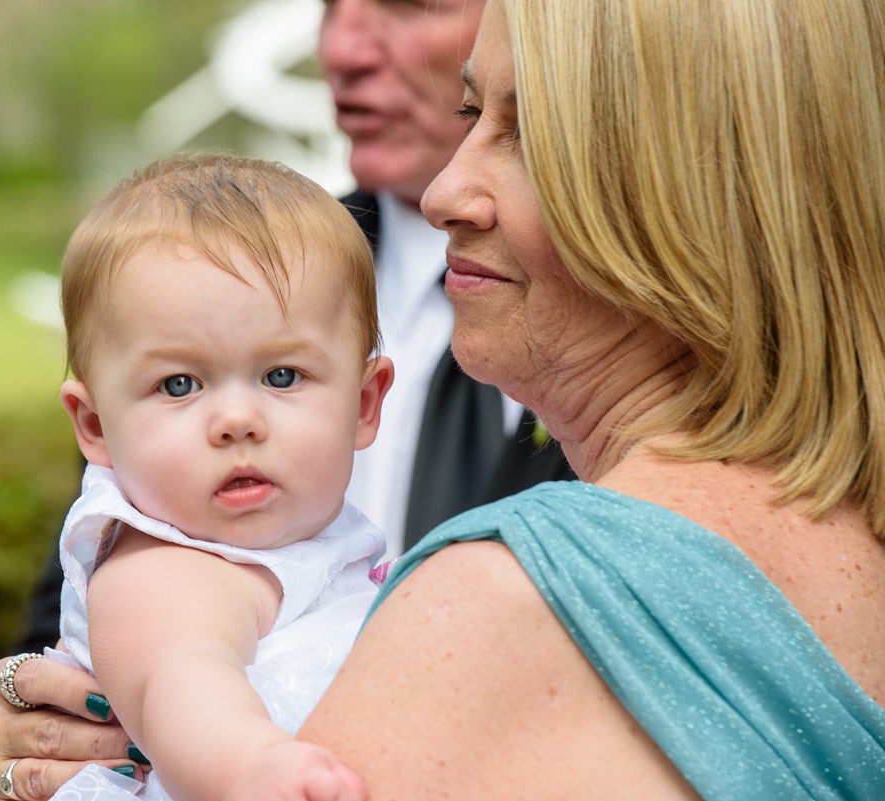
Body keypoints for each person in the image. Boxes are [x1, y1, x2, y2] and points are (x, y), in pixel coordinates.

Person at [0, 2, 573, 799]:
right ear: (97, 424)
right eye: (331, 1)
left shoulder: (661, 338)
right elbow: (77, 691)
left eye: (410, 1)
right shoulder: (177, 292)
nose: (340, 43)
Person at [292, 0, 885, 797]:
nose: (445, 193)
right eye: (470, 113)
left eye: (532, 134)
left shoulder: (500, 607)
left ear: (703, 191)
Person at [46, 151, 392, 801]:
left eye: (281, 375)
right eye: (179, 384)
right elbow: (179, 675)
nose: (236, 420)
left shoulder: (308, 547)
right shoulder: (163, 565)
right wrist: (254, 767)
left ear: (365, 403)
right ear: (94, 425)